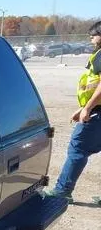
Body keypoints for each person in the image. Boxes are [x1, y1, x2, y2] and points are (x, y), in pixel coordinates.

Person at [42, 21, 101, 203]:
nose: (91, 38)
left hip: (97, 113)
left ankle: (63, 190)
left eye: (94, 35)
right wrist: (83, 107)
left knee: (78, 148)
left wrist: (88, 108)